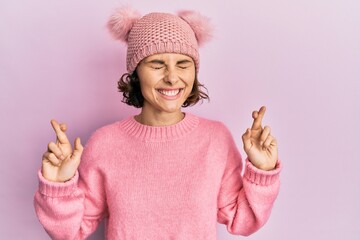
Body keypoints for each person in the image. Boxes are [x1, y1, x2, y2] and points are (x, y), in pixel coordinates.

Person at [34, 7, 281, 240]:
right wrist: (59, 186)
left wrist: (263, 173)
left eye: (183, 64)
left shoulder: (216, 139)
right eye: (157, 64)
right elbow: (69, 232)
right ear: (136, 72)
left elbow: (244, 221)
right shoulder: (105, 143)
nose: (172, 77)